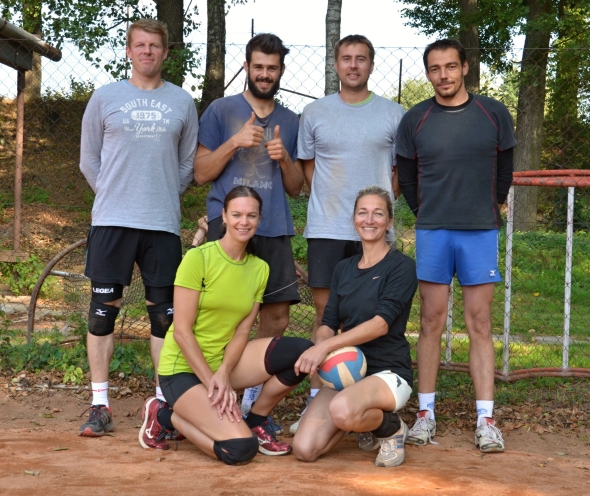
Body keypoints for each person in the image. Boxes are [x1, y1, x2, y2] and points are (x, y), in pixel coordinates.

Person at [78, 19, 198, 438]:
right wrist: (114, 195)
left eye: (155, 46)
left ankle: (163, 406)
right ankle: (99, 404)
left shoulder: (183, 102)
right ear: (129, 51)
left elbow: (186, 166)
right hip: (112, 222)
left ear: (166, 53)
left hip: (161, 225)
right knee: (101, 314)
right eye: (140, 46)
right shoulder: (105, 97)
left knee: (163, 318)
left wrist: (161, 196)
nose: (147, 52)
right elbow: (88, 160)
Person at [396, 39, 516, 453]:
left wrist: (491, 206)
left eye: (450, 66)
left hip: (480, 230)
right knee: (430, 320)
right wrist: (424, 212)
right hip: (434, 230)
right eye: (434, 68)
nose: (443, 75)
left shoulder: (493, 112)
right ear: (428, 73)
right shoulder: (416, 118)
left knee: (479, 323)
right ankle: (425, 414)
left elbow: (505, 169)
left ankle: (486, 419)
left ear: (465, 67)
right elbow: (408, 177)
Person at [138, 186, 313, 462]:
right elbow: (181, 332)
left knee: (304, 352)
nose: (244, 222)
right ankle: (164, 415)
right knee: (240, 449)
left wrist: (224, 373)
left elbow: (243, 331)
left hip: (223, 365)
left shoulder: (260, 268)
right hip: (182, 369)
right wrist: (214, 382)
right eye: (237, 214)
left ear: (259, 219)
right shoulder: (198, 259)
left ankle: (256, 418)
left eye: (251, 215)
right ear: (224, 216)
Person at [294, 34, 406, 433]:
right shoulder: (315, 112)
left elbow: (397, 174)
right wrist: (331, 200)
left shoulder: (394, 114)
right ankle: (316, 398)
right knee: (327, 316)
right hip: (326, 227)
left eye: (361, 59)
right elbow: (307, 169)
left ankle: (364, 397)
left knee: (373, 316)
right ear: (336, 65)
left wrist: (377, 208)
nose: (353, 65)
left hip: (373, 230)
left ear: (371, 65)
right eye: (346, 59)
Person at [194, 33, 303, 422]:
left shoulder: (290, 120)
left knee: (276, 318)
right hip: (227, 233)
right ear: (246, 66)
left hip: (273, 227)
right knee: (219, 315)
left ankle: (249, 401)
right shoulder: (221, 112)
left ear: (281, 71)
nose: (265, 74)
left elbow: (295, 187)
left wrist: (285, 158)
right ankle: (208, 392)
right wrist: (235, 142)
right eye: (258, 66)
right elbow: (201, 173)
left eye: (272, 68)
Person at [291, 186, 417, 467]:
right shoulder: (344, 268)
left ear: (389, 222)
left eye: (378, 214)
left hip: (387, 371)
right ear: (354, 219)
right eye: (363, 213)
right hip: (346, 371)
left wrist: (327, 345)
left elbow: (381, 324)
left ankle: (392, 428)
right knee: (304, 448)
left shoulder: (402, 267)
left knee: (343, 409)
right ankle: (360, 420)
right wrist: (322, 344)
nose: (369, 220)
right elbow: (329, 322)